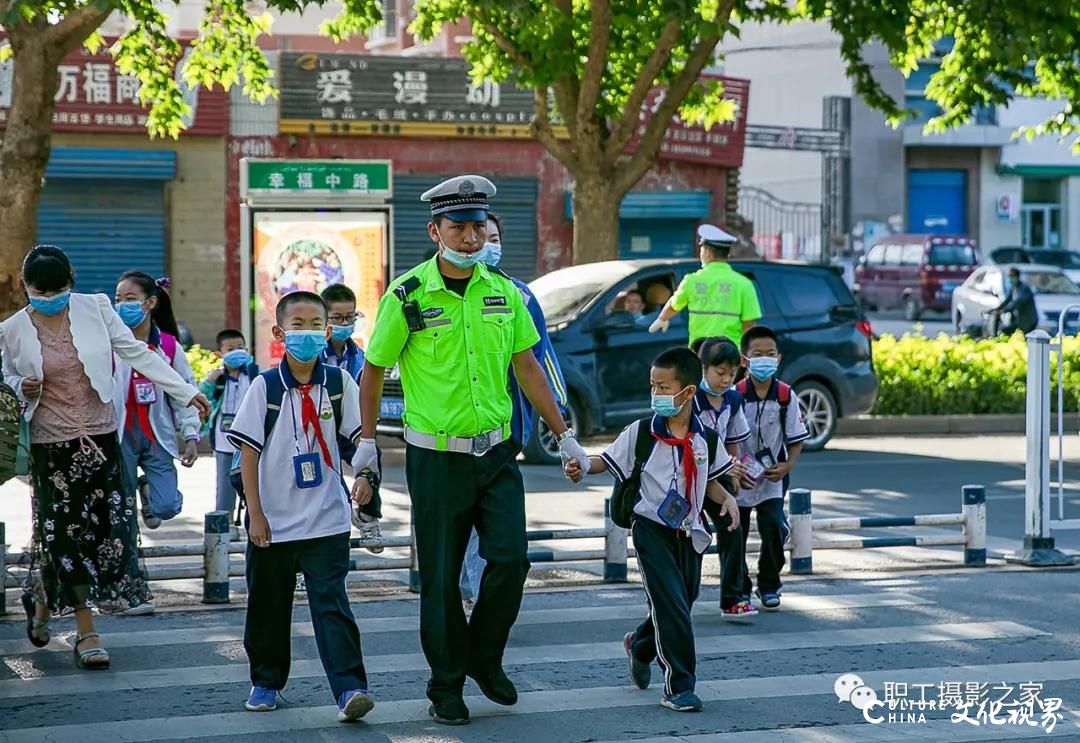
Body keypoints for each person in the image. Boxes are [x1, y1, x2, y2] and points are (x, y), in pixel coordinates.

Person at [356, 175, 588, 726]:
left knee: (511, 560)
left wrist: (564, 432)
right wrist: (366, 444)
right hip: (436, 459)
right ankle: (445, 687)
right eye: (457, 227)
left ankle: (484, 657)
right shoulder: (408, 296)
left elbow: (526, 367)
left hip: (498, 454)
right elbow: (372, 370)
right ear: (435, 230)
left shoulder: (502, 291)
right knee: (439, 579)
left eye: (477, 226)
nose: (469, 237)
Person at [0, 245, 210, 669]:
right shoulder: (12, 329)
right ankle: (86, 631)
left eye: (58, 289)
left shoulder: (95, 308)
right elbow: (6, 374)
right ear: (26, 287)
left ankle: (42, 604)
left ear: (71, 280)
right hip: (50, 448)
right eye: (41, 291)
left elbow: (136, 353)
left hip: (101, 440)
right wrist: (22, 384)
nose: (50, 298)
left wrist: (185, 391)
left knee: (99, 537)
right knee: (62, 537)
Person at [564, 347, 740, 713]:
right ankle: (680, 686)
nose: (656, 394)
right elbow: (605, 461)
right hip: (650, 530)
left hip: (689, 531)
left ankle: (639, 644)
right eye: (653, 386)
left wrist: (728, 499)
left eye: (663, 387)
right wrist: (581, 464)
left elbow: (711, 482)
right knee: (671, 604)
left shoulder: (705, 439)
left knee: (682, 602)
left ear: (688, 392)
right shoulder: (641, 432)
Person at [225, 291, 374, 722]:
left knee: (332, 605)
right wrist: (255, 514)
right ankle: (266, 681)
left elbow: (356, 444)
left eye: (315, 325)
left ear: (327, 332)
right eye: (298, 325)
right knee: (268, 607)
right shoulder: (265, 387)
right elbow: (248, 454)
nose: (306, 333)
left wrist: (365, 476)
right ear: (279, 332)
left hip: (326, 519)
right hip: (273, 523)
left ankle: (350, 689)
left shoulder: (339, 384)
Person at [458, 212, 569, 616]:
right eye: (477, 234)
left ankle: (479, 594)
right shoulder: (437, 293)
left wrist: (560, 419)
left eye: (492, 236)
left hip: (507, 430)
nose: (484, 243)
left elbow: (539, 358)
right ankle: (469, 593)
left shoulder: (518, 295)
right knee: (463, 521)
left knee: (493, 525)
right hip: (454, 431)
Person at [113, 272, 201, 535]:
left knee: (167, 506)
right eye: (118, 299)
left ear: (150, 303)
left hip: (155, 436)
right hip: (119, 435)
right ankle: (126, 562)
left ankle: (147, 489)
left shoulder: (169, 347)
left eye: (130, 298)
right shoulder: (111, 343)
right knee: (121, 508)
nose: (121, 305)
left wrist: (191, 435)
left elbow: (185, 392)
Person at [734, 325, 809, 611]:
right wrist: (734, 470)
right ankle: (740, 588)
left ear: (778, 358)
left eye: (770, 354)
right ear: (744, 360)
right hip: (740, 477)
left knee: (774, 527)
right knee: (735, 535)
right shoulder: (734, 395)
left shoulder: (785, 396)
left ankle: (769, 584)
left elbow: (796, 437)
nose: (764, 359)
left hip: (772, 478)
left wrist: (788, 465)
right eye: (757, 354)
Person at [692, 336, 757, 620]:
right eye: (720, 373)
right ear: (702, 368)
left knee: (733, 529)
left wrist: (738, 470)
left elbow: (734, 442)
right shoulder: (690, 399)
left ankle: (732, 598)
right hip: (690, 478)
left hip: (720, 479)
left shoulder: (733, 399)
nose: (726, 380)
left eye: (732, 374)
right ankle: (679, 599)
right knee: (688, 539)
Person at [320, 283, 382, 553]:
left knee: (370, 456)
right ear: (324, 320)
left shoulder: (360, 356)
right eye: (337, 318)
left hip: (349, 425)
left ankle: (368, 516)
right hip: (317, 425)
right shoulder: (314, 352)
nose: (345, 323)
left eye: (350, 317)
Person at [650, 224, 762, 347]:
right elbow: (749, 324)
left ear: (707, 252)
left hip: (700, 351)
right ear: (726, 254)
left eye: (702, 249)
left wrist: (662, 319)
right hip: (731, 353)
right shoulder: (744, 284)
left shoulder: (691, 281)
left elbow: (674, 305)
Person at [201, 328, 258, 533]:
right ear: (219, 354)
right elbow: (201, 397)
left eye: (240, 347)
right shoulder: (217, 378)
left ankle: (255, 520)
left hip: (251, 440)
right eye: (230, 348)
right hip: (223, 440)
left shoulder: (254, 374)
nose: (237, 351)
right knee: (224, 486)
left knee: (254, 482)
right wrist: (210, 381)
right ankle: (223, 527)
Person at [991, 267, 1038, 336]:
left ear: (1017, 277)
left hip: (1028, 320)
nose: (1010, 278)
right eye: (1009, 276)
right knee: (1005, 331)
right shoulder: (1013, 287)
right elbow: (1007, 300)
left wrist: (1003, 311)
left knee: (1009, 333)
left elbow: (1017, 303)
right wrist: (996, 309)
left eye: (1011, 276)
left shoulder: (1024, 288)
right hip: (1020, 319)